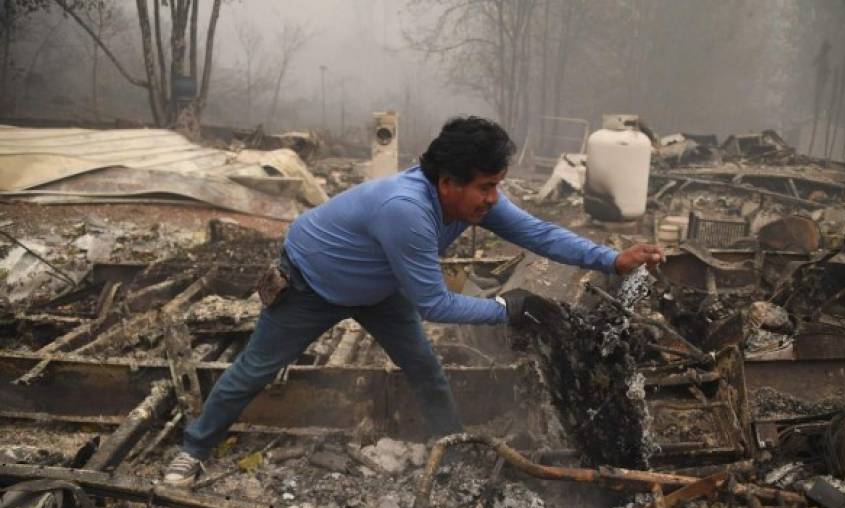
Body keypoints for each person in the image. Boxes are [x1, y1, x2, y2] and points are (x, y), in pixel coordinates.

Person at [164, 116, 662, 485]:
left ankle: (447, 448)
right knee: (254, 369)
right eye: (486, 187)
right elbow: (435, 304)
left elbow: (536, 232)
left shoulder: (467, 196)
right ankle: (192, 448)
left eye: (497, 186)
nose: (493, 199)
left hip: (379, 288)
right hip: (312, 282)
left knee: (426, 368)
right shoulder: (406, 211)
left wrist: (611, 260)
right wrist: (508, 309)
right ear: (448, 183)